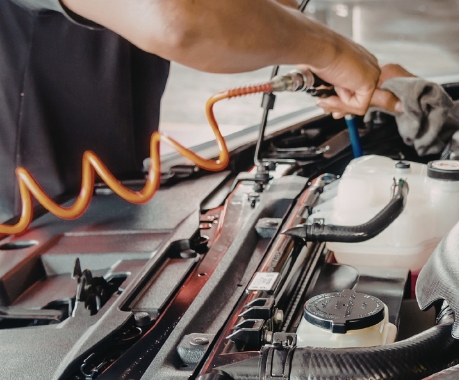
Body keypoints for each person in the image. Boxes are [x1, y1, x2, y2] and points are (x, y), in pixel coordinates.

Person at [0, 0, 389, 226]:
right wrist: (332, 53)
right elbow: (175, 18)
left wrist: (354, 65)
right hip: (24, 254)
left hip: (101, 215)